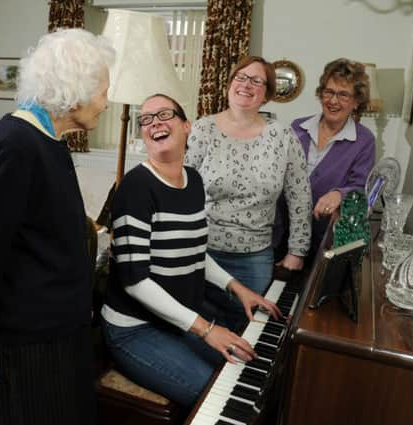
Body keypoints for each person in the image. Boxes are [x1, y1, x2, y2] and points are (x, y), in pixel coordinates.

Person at [0, 29, 115, 425]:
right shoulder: (15, 144)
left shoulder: (51, 140)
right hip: (33, 340)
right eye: (102, 91)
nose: (106, 102)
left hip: (64, 328)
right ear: (72, 89)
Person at [101, 93, 281, 408]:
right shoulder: (135, 188)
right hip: (134, 331)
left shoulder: (194, 180)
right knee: (218, 396)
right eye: (145, 119)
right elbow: (134, 280)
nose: (153, 122)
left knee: (242, 369)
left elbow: (194, 251)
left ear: (187, 127)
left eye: (164, 114)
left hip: (176, 321)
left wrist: (238, 288)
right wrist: (206, 329)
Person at [184, 56, 311, 329]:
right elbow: (183, 189)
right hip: (200, 254)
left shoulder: (283, 136)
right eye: (240, 77)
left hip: (254, 260)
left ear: (266, 95)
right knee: (201, 334)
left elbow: (299, 196)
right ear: (230, 84)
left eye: (257, 81)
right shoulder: (203, 128)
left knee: (249, 333)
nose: (246, 84)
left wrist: (297, 252)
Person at [273, 58, 376, 259]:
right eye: (328, 92)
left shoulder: (364, 141)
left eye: (343, 94)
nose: (333, 101)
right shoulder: (297, 127)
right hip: (280, 232)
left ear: (356, 102)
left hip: (322, 241)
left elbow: (362, 187)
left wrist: (340, 193)